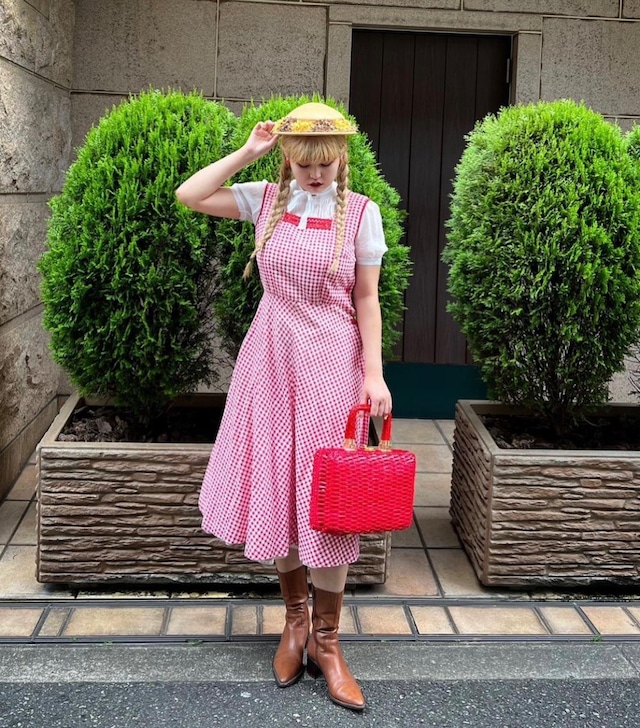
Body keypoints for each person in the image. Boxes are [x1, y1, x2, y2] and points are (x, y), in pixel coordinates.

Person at [175, 102, 392, 712]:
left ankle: (327, 640)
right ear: (289, 157)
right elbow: (189, 194)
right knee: (281, 488)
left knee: (325, 501)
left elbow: (369, 300)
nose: (315, 174)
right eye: (303, 162)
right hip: (270, 363)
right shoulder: (265, 198)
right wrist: (250, 150)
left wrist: (374, 376)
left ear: (341, 158)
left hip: (331, 364)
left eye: (324, 163)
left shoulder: (362, 216)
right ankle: (294, 622)